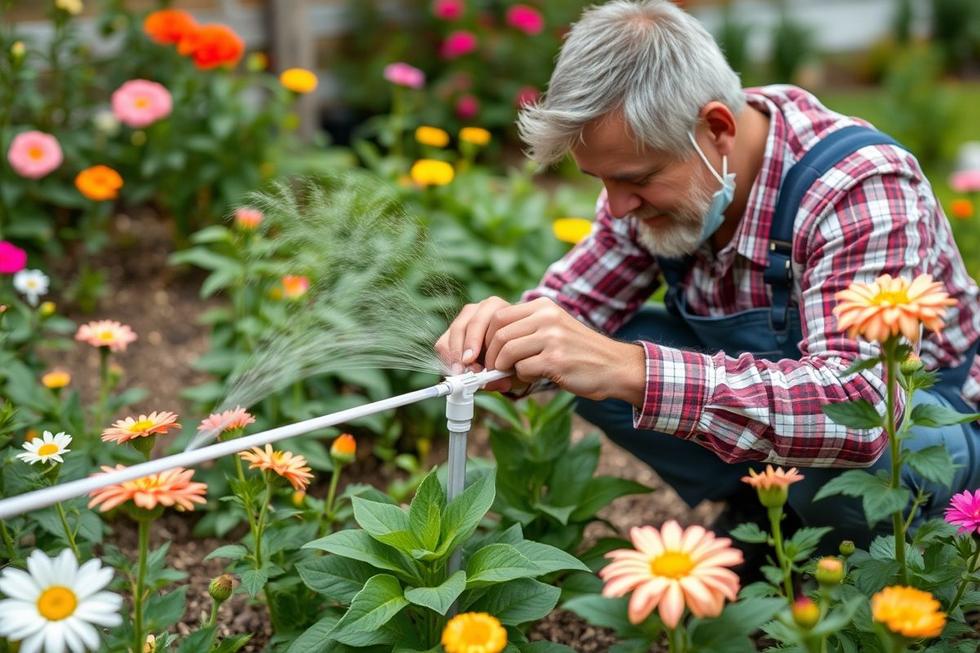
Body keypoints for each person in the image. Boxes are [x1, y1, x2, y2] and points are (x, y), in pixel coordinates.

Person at [434, 0, 980, 548]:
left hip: (927, 436)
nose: (617, 207)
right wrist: (505, 337)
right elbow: (570, 303)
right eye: (600, 180)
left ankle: (898, 549)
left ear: (717, 127)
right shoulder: (656, 188)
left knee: (885, 451)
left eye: (636, 179)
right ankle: (764, 508)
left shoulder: (856, 187)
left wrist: (633, 371)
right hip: (788, 422)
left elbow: (860, 409)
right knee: (563, 343)